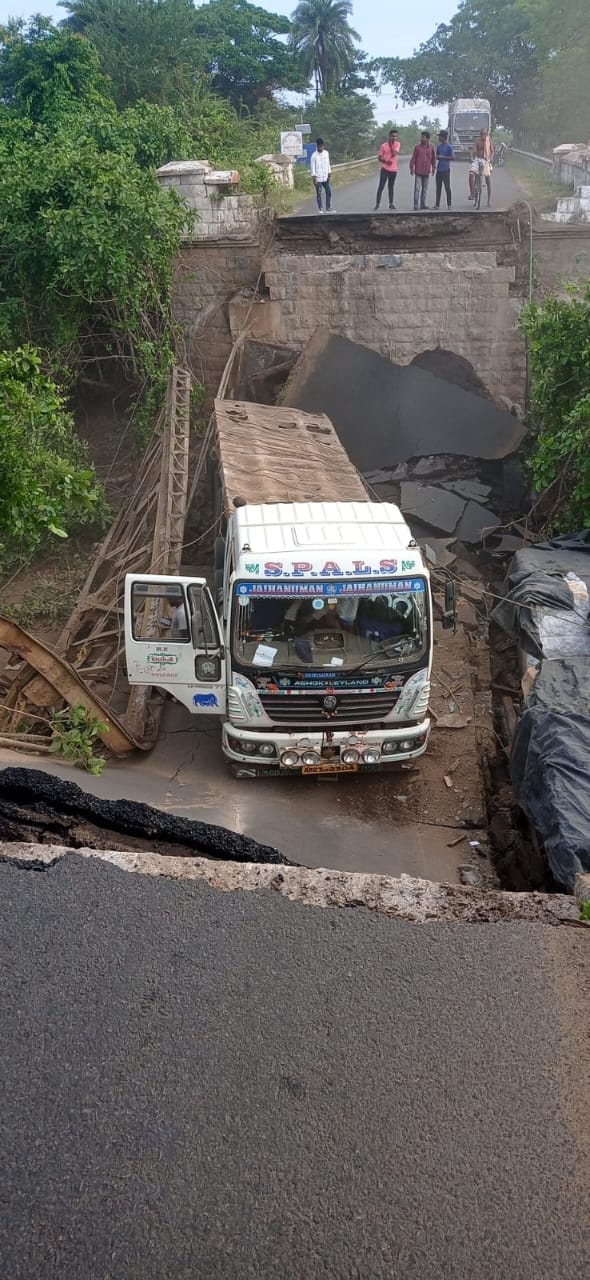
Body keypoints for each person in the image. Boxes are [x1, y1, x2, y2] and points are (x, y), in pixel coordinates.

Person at [374, 128, 401, 211]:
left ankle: (391, 203)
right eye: (392, 136)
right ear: (389, 136)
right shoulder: (383, 145)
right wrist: (385, 161)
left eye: (395, 136)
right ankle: (377, 204)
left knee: (391, 187)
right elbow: (379, 157)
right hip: (385, 168)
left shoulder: (397, 144)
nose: (394, 138)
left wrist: (391, 145)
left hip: (393, 169)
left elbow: (394, 153)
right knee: (381, 186)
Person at [409, 131, 436, 210]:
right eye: (421, 137)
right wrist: (411, 168)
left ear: (427, 139)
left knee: (424, 189)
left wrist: (434, 168)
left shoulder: (431, 147)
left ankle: (423, 204)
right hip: (418, 171)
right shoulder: (417, 147)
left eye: (423, 137)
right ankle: (416, 205)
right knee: (417, 189)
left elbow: (433, 159)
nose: (421, 139)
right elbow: (413, 158)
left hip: (426, 171)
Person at [468, 128, 494, 205]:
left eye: (484, 134)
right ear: (480, 135)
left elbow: (492, 152)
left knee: (488, 179)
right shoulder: (477, 140)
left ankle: (489, 200)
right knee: (471, 174)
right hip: (477, 159)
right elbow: (474, 150)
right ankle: (472, 193)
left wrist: (491, 158)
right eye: (481, 134)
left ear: (486, 135)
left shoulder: (489, 141)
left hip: (486, 160)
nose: (483, 136)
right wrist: (471, 157)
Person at [310, 138, 333, 213]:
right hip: (318, 178)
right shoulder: (314, 156)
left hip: (325, 177)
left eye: (322, 146)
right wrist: (314, 178)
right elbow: (312, 167)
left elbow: (328, 164)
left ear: (323, 146)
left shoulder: (326, 153)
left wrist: (329, 173)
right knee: (319, 193)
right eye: (319, 147)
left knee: (329, 192)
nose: (321, 148)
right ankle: (320, 209)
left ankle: (328, 208)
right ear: (317, 147)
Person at [435, 129, 453, 209]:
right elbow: (437, 156)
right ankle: (437, 204)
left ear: (443, 137)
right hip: (439, 169)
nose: (439, 138)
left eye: (440, 136)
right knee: (438, 188)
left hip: (446, 169)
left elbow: (453, 157)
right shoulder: (439, 146)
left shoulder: (449, 147)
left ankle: (449, 204)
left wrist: (443, 157)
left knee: (447, 187)